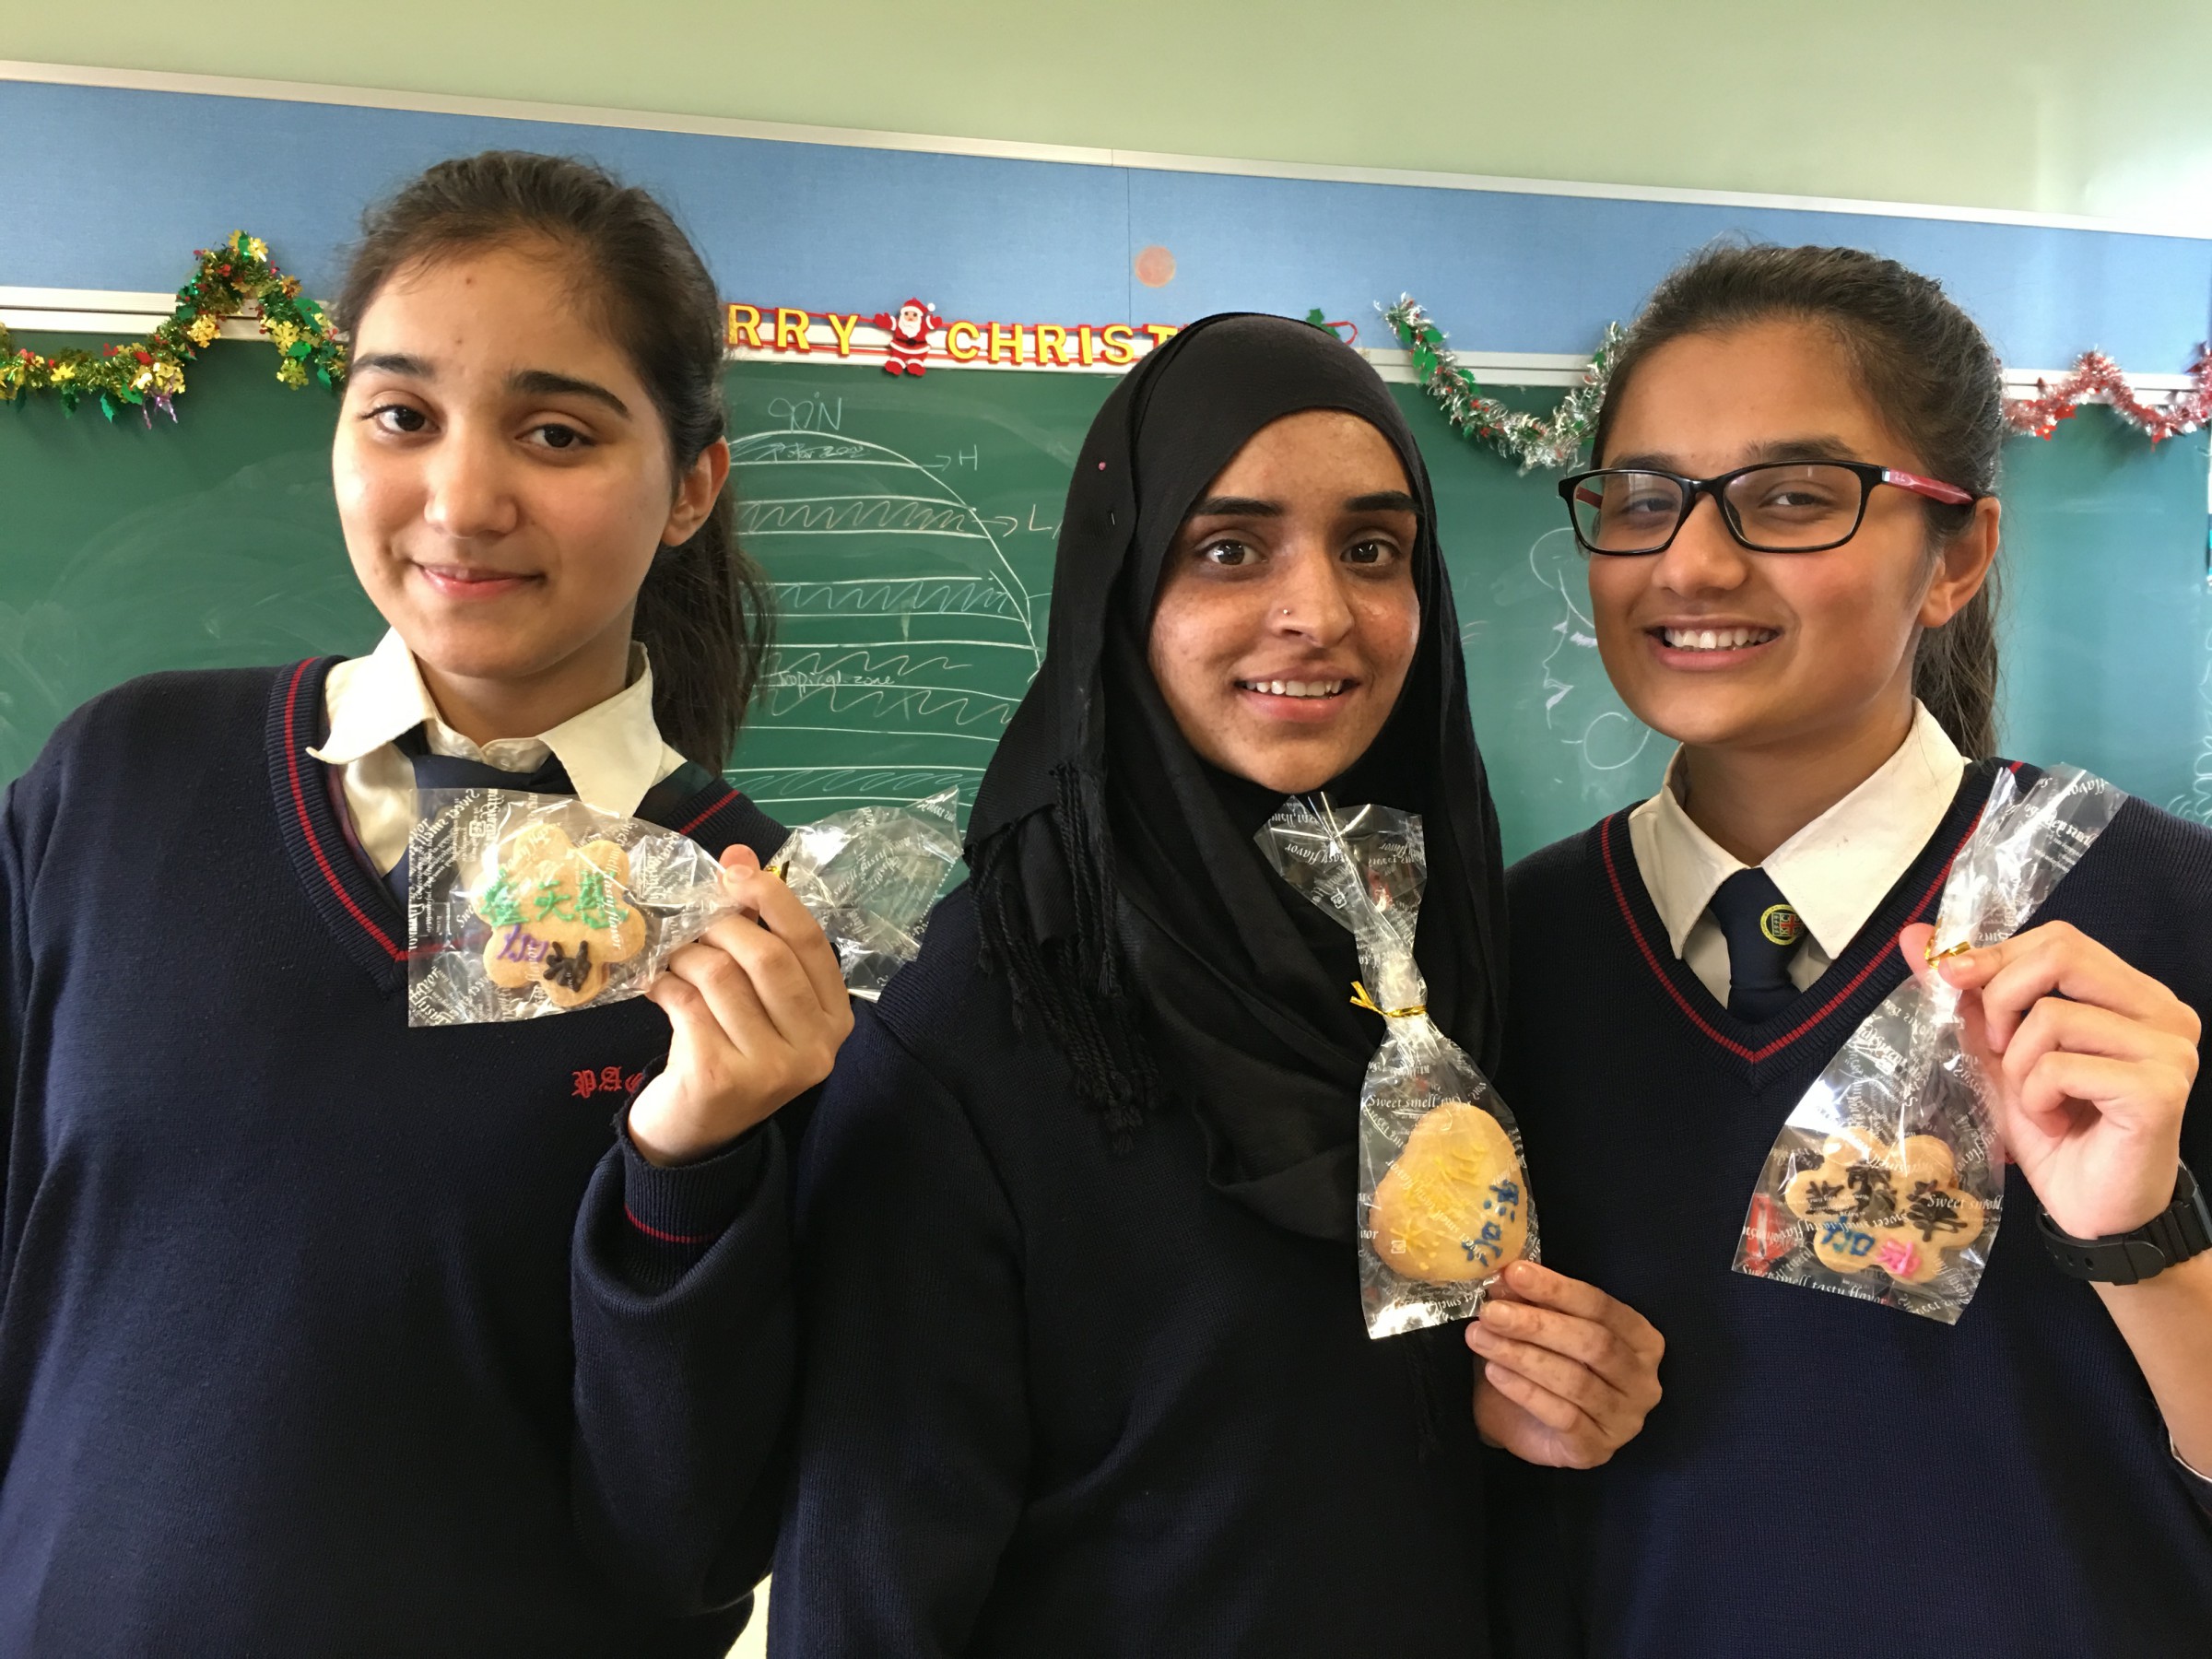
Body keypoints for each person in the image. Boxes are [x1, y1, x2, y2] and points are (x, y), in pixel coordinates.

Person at [0, 151, 852, 1653]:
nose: (462, 500)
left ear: (690, 487)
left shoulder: (758, 939)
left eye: (557, 432)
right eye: (402, 415)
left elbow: (690, 1551)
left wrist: (692, 1166)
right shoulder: (123, 781)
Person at [771, 312, 1664, 1656]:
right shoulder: (984, 1025)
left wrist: (1555, 1407)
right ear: (1124, 587)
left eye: (1373, 549)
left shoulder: (1445, 959)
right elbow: (869, 1593)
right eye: (1229, 549)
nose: (1320, 614)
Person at [1500, 243, 2212, 1654]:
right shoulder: (1508, 958)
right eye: (1641, 499)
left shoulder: (2159, 923)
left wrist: (2144, 1241)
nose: (1691, 562)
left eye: (1792, 498)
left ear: (1960, 557)